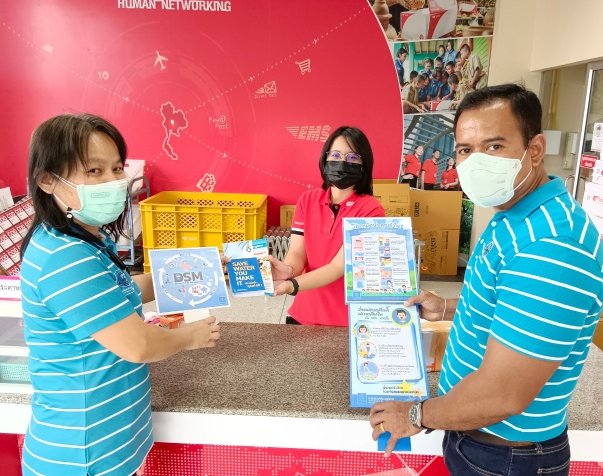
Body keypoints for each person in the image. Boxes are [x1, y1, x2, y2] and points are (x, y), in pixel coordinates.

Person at [368, 85, 603, 476]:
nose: (476, 162)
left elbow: (504, 394)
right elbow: (508, 304)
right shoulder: (515, 213)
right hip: (477, 437)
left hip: (506, 457)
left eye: (494, 146)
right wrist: (446, 308)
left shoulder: (553, 246)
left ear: (535, 149)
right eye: (465, 149)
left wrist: (416, 414)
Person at [19, 114, 222, 476]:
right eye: (93, 171)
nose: (113, 181)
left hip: (106, 443)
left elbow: (119, 294)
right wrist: (191, 336)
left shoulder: (84, 238)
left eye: (116, 168)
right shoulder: (65, 257)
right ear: (48, 180)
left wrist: (201, 271)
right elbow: (137, 345)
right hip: (82, 455)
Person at [269, 127, 384, 326]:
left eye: (352, 157)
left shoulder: (371, 210)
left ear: (364, 165)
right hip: (302, 314)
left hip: (345, 321)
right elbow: (297, 252)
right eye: (336, 155)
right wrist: (288, 270)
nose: (342, 162)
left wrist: (291, 285)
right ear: (325, 159)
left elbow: (339, 267)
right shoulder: (307, 200)